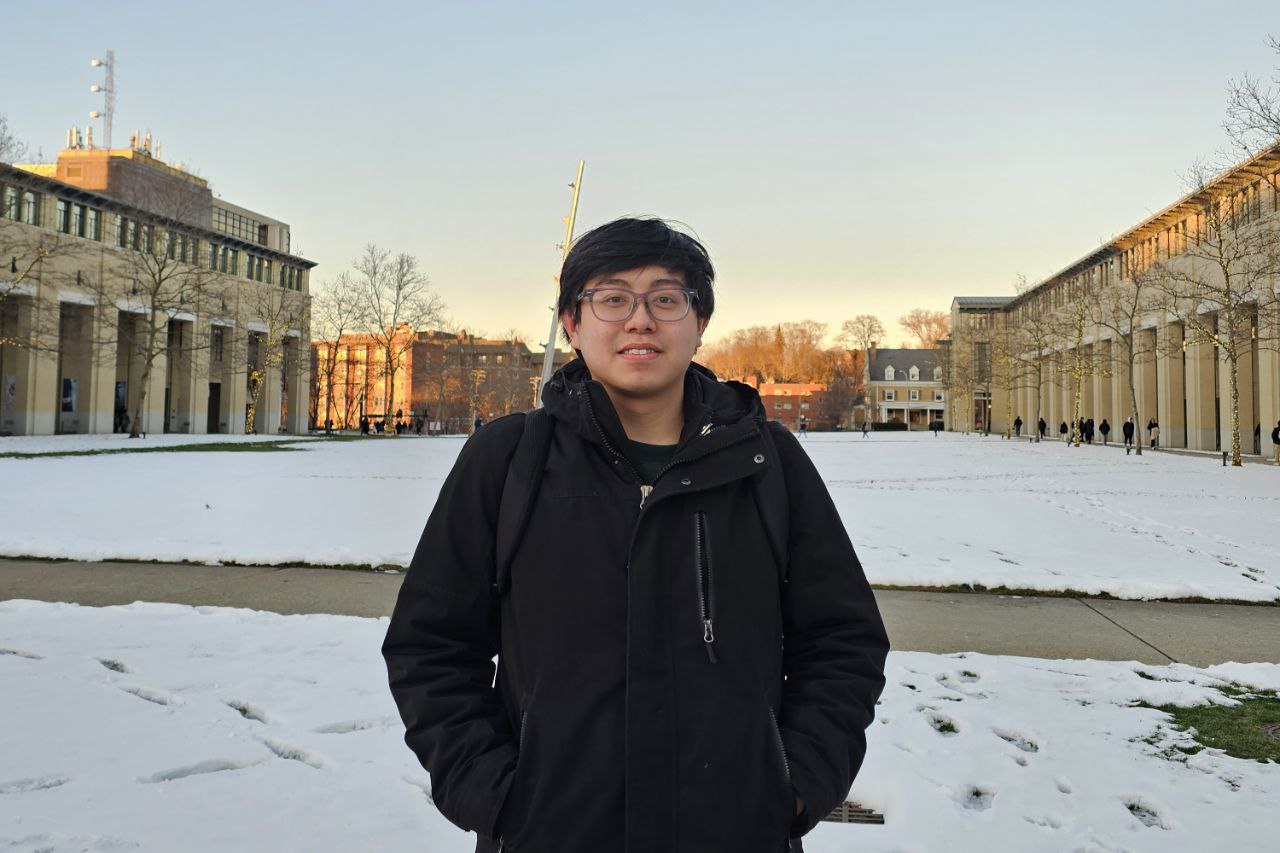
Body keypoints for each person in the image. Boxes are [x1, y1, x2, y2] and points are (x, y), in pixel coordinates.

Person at [382, 218, 889, 853]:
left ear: (699, 323)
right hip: (551, 834)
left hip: (735, 833)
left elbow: (843, 641)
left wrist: (794, 784)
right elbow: (431, 646)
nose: (640, 320)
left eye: (666, 299)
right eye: (612, 297)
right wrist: (497, 794)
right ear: (571, 321)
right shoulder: (508, 460)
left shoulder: (767, 461)